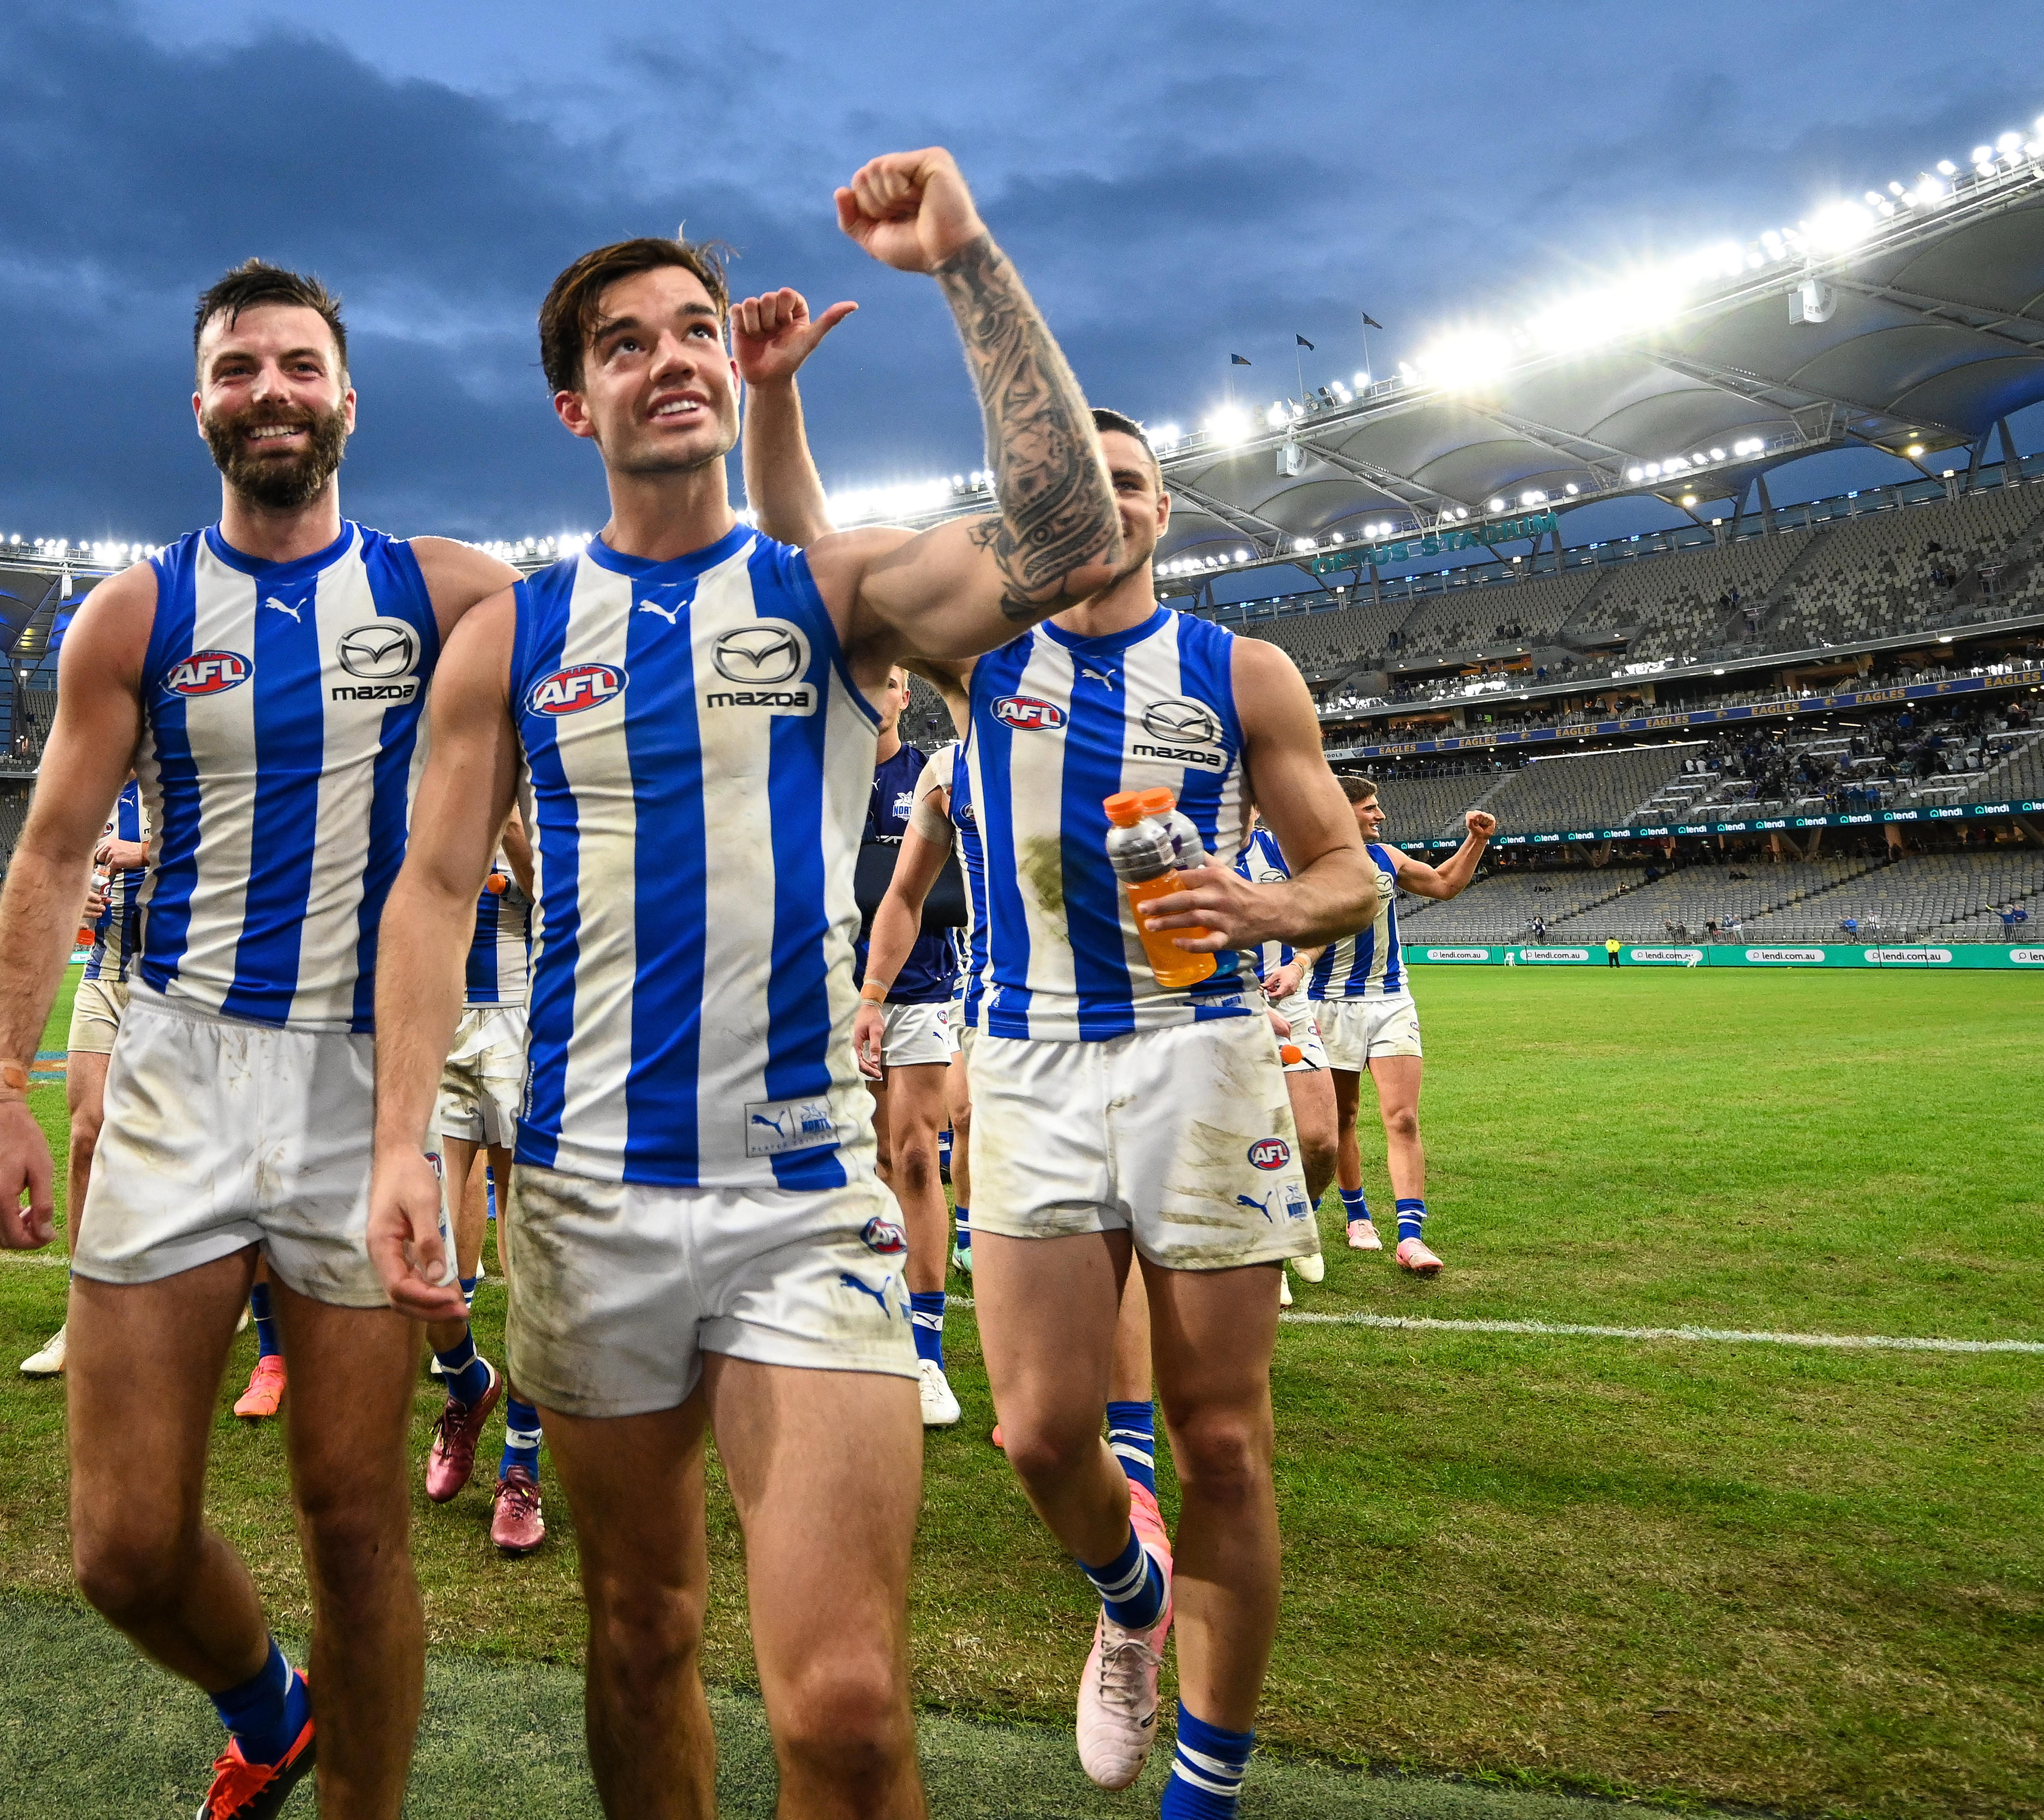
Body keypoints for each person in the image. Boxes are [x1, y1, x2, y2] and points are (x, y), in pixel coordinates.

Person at [371, 150, 1130, 1815]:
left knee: (849, 1711)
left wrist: (967, 263)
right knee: (637, 1636)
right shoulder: (514, 630)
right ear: (576, 405)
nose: (670, 357)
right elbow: (430, 890)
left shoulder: (830, 596)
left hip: (806, 1202)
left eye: (694, 330)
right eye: (626, 341)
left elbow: (1072, 536)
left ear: (732, 363)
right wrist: (390, 1158)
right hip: (584, 1197)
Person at [741, 289, 1372, 1807]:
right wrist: (772, 397)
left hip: (1203, 1055)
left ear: (1163, 511)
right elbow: (811, 554)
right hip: (1027, 1064)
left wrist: (1265, 899)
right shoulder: (982, 666)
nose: (1113, 501)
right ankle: (1131, 1599)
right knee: (1036, 1431)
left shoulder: (1243, 672)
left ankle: (1204, 1779)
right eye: (1081, 480)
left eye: (1137, 481)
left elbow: (1347, 871)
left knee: (1221, 1442)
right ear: (1043, 507)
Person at [0, 259, 520, 1820]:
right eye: (236, 368)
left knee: (355, 1526)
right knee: (125, 1545)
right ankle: (270, 1710)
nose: (269, 390)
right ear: (199, 402)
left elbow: (645, 638)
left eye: (297, 364)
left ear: (347, 396)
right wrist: (2, 1086)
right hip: (183, 1070)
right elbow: (53, 855)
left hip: (368, 1082)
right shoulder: (138, 609)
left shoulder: (450, 590)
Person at [417, 810, 545, 1552]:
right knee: (422, 1255)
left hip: (522, 1021)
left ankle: (520, 1468)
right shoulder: (434, 769)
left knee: (527, 1255)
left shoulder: (546, 755)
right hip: (440, 1020)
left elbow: (566, 898)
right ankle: (467, 1381)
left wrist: (513, 831)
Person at [1311, 786, 1493, 1277]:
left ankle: (1411, 1237)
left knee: (1404, 1119)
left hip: (1392, 999)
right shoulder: (1309, 860)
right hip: (1328, 1001)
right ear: (1341, 811)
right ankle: (1357, 1217)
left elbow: (1443, 884)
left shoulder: (1386, 856)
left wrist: (1474, 841)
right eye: (1370, 807)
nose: (1381, 814)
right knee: (1342, 1117)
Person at [855, 671, 965, 1427]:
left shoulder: (926, 775)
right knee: (863, 1163)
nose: (875, 693)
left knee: (917, 1156)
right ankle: (868, 1315)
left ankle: (926, 1349)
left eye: (890, 683)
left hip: (920, 989)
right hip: (827, 992)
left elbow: (941, 893)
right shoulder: (809, 778)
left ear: (904, 698)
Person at [20, 779, 146, 1380]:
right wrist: (74, 896)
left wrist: (145, 851)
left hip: (184, 983)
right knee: (86, 1137)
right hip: (104, 977)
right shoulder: (95, 778)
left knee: (185, 1148)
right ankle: (84, 1313)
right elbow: (54, 866)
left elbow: (245, 848)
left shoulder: (199, 755)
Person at [1234, 806, 1337, 1305]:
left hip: (1289, 1005)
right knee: (1248, 1140)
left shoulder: (1278, 850)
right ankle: (1266, 1251)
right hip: (1215, 1009)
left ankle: (1300, 1219)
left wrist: (1298, 962)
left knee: (1320, 1142)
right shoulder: (1186, 851)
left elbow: (1318, 922)